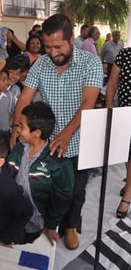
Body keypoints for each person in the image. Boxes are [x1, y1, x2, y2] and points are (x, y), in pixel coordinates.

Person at [10, 14, 103, 250]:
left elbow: (88, 102)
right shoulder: (40, 64)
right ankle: (50, 224)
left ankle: (71, 225)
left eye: (58, 47)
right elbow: (24, 98)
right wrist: (16, 128)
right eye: (48, 47)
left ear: (72, 39)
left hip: (80, 139)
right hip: (46, 142)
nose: (52, 53)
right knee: (48, 187)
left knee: (75, 190)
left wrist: (67, 133)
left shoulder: (90, 62)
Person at [6, 102, 74, 245]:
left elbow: (62, 197)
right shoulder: (18, 148)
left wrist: (51, 225)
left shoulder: (57, 163)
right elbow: (8, 175)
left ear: (36, 133)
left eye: (21, 126)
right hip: (15, 216)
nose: (17, 130)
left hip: (38, 223)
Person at [105, 47, 131, 219]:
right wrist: (108, 109)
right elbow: (112, 84)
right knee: (126, 153)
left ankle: (127, 196)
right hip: (124, 113)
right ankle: (130, 181)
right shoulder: (125, 54)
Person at [0, 68, 16, 133]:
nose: (7, 82)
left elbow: (19, 109)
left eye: (7, 79)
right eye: (3, 79)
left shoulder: (10, 96)